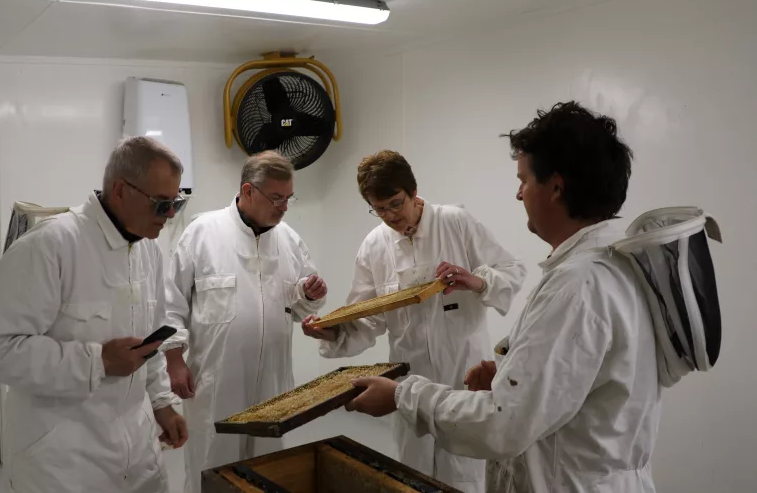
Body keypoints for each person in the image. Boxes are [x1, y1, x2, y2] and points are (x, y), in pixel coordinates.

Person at [343, 102, 662, 493]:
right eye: (380, 209)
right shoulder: (608, 265)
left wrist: (402, 394)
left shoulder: (578, 285)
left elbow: (503, 423)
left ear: (556, 187)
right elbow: (576, 378)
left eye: (523, 180)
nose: (517, 194)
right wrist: (512, 374)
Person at [0, 136, 189, 493]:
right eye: (161, 204)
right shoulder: (50, 246)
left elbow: (152, 342)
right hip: (63, 460)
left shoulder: (148, 251)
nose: (170, 216)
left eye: (176, 202)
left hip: (138, 450)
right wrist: (96, 361)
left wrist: (162, 403)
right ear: (120, 190)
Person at [300, 149, 526, 493]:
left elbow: (512, 272)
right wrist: (330, 332)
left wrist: (475, 280)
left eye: (396, 203)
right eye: (379, 209)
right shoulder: (374, 246)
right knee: (413, 478)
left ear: (413, 191)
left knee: (466, 476)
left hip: (462, 377)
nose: (390, 216)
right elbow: (367, 319)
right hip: (407, 383)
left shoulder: (456, 222)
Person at [162, 151, 327, 493]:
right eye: (276, 197)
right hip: (217, 380)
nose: (284, 207)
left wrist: (310, 295)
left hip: (273, 381)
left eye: (289, 198)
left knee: (271, 467)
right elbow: (170, 300)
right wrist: (174, 360)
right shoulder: (203, 233)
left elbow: (300, 308)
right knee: (212, 465)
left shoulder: (289, 241)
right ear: (248, 191)